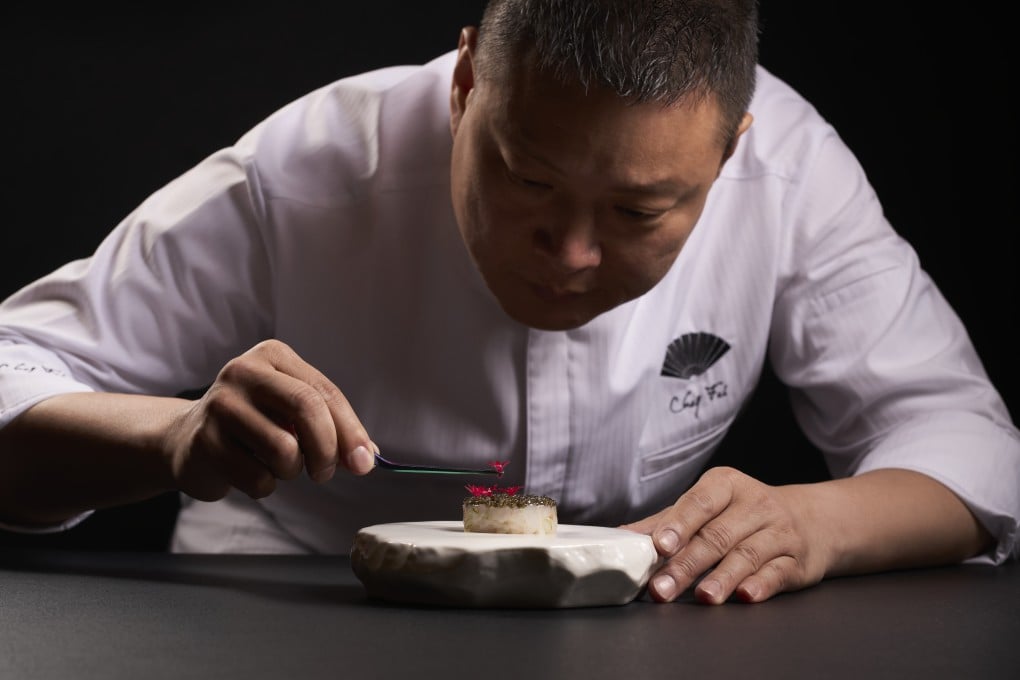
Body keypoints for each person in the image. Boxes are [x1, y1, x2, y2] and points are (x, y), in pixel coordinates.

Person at [0, 0, 1016, 605]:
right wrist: (175, 435)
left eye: (637, 209)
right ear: (465, 84)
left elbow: (968, 440)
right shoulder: (304, 171)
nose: (571, 256)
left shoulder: (793, 171)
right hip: (285, 616)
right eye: (529, 180)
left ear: (732, 148)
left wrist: (816, 523)